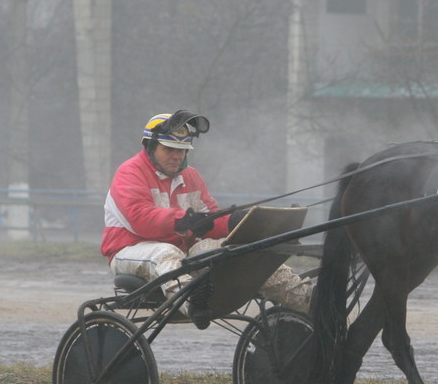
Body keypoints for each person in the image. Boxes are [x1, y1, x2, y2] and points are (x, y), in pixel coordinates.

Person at [101, 110, 311, 320]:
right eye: (169, 149)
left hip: (182, 253)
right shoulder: (130, 172)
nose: (176, 156)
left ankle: (307, 298)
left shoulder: (191, 176)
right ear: (150, 146)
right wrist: (184, 220)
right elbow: (140, 219)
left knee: (236, 251)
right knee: (164, 253)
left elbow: (210, 218)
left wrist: (235, 222)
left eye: (182, 150)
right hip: (129, 249)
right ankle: (193, 305)